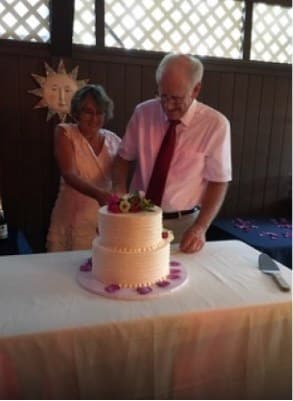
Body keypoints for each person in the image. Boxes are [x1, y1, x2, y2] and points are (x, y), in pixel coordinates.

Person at [112, 53, 232, 253]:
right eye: (163, 96)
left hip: (184, 224)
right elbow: (123, 159)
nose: (168, 106)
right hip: (137, 216)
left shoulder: (215, 125)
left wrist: (200, 228)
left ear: (196, 89)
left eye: (176, 98)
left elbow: (218, 181)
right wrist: (119, 192)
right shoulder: (143, 114)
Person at [46, 84, 121, 251]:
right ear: (77, 113)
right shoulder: (65, 132)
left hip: (102, 220)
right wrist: (99, 194)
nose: (94, 118)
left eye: (99, 112)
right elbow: (68, 173)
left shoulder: (114, 140)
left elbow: (120, 179)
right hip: (69, 217)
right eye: (88, 111)